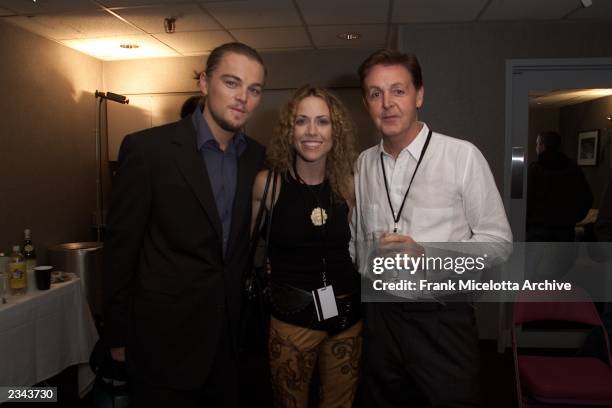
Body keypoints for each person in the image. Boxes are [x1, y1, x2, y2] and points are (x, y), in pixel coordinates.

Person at [103, 42, 266, 408]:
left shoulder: (259, 157)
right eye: (231, 83)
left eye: (254, 89)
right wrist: (117, 335)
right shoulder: (148, 151)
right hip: (162, 342)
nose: (243, 97)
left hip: (231, 345)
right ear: (204, 83)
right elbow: (120, 249)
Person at [351, 49, 512, 407]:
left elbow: (499, 243)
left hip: (442, 318)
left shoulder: (461, 156)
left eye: (398, 90)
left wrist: (427, 253)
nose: (387, 103)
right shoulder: (363, 164)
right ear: (366, 103)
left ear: (419, 95)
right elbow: (357, 239)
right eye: (376, 94)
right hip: (381, 319)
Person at [251, 85, 361, 408]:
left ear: (335, 131)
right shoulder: (267, 184)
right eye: (302, 121)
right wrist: (266, 264)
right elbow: (248, 248)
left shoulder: (350, 186)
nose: (312, 131)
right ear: (290, 129)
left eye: (323, 121)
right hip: (291, 321)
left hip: (347, 319)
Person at [527, 131, 592, 242]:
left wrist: (529, 219)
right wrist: (573, 219)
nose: (536, 147)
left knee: (533, 259)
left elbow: (526, 198)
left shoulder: (535, 170)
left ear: (542, 146)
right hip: (565, 229)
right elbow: (586, 198)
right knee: (562, 259)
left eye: (537, 144)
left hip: (538, 229)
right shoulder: (573, 169)